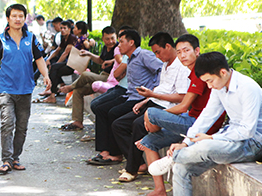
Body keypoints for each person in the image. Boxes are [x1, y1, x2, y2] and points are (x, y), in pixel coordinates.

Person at [152, 52, 262, 196]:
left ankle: (170, 159)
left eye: (209, 81)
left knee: (205, 146)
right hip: (228, 139)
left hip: (250, 144)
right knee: (182, 169)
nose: (209, 86)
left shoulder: (247, 88)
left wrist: (212, 138)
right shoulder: (219, 87)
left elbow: (248, 131)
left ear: (223, 72)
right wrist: (186, 142)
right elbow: (207, 115)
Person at [128, 34, 225, 196]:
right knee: (148, 141)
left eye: (186, 51)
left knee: (151, 112)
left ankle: (152, 121)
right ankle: (159, 191)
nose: (182, 56)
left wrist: (151, 116)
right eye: (179, 52)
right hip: (190, 119)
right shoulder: (193, 70)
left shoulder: (201, 71)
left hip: (199, 125)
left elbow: (182, 106)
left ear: (197, 51)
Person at [110, 32, 189, 182]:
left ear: (167, 46)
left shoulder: (182, 67)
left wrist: (153, 95)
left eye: (158, 52)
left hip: (168, 108)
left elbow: (182, 97)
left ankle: (131, 169)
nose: (157, 57)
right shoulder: (165, 65)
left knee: (138, 124)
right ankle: (138, 163)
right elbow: (161, 89)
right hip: (154, 102)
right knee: (118, 125)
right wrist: (145, 100)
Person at [0, 3, 51, 174]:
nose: (17, 19)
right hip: (6, 89)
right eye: (14, 16)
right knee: (7, 124)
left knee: (22, 127)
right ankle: (6, 160)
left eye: (20, 16)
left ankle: (16, 158)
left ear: (25, 19)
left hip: (25, 89)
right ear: (8, 19)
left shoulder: (31, 38)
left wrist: (45, 75)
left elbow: (39, 59)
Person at [88, 29, 162, 165]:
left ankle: (117, 155)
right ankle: (107, 151)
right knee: (101, 108)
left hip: (141, 99)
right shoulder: (130, 57)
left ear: (131, 42)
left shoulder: (144, 55)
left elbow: (161, 69)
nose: (118, 45)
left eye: (121, 42)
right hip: (130, 96)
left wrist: (154, 90)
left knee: (114, 114)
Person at [58, 26, 119, 131]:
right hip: (103, 76)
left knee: (86, 75)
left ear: (116, 37)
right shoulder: (106, 47)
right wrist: (89, 54)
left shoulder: (118, 48)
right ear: (103, 39)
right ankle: (77, 122)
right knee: (78, 90)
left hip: (111, 79)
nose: (110, 41)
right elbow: (100, 61)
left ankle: (70, 87)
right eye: (107, 39)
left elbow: (123, 59)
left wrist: (112, 61)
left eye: (113, 38)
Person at [36, 20, 77, 104]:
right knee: (54, 70)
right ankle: (53, 92)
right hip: (68, 63)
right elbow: (57, 50)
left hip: (74, 65)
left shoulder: (72, 38)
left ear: (69, 29)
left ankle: (51, 92)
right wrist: (48, 60)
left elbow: (65, 53)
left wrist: (56, 64)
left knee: (54, 68)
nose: (62, 30)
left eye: (64, 28)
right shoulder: (64, 38)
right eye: (61, 28)